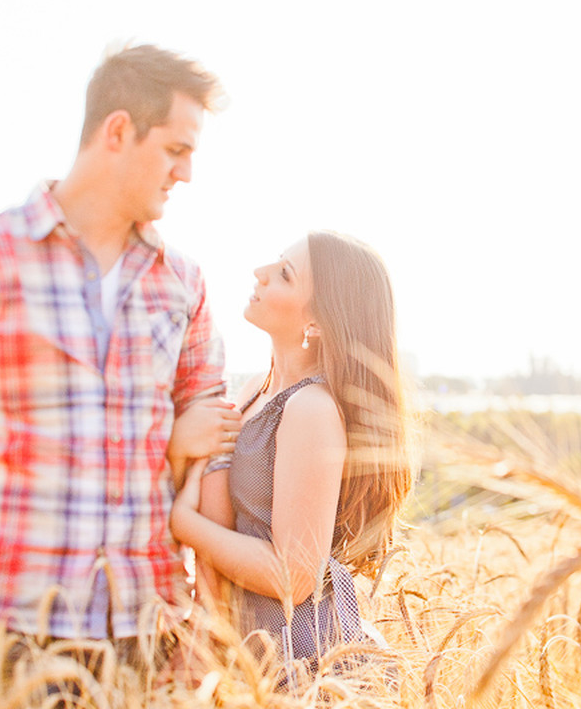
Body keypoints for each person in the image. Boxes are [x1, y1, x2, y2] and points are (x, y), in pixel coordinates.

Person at [0, 43, 242, 697]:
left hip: (150, 641)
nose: (186, 173)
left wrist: (204, 632)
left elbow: (209, 465)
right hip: (8, 636)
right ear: (119, 131)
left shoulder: (184, 284)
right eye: (176, 150)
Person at [170, 230, 412, 681]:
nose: (259, 274)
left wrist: (185, 526)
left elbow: (294, 578)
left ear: (317, 322)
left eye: (284, 274)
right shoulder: (254, 392)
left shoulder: (310, 409)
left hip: (302, 663)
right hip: (250, 653)